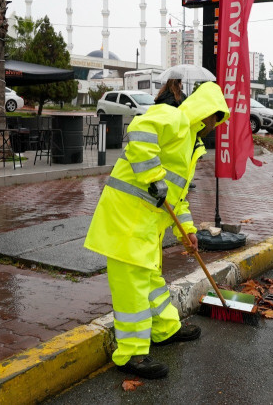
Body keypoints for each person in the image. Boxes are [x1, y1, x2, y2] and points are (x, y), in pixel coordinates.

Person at [84, 82, 230, 379]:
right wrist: (154, 177)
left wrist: (187, 231)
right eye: (216, 118)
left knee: (151, 281)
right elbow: (139, 130)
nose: (214, 126)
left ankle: (165, 329)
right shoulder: (173, 118)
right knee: (133, 289)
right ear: (205, 112)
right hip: (126, 219)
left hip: (145, 224)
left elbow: (177, 197)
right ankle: (132, 355)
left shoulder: (191, 143)